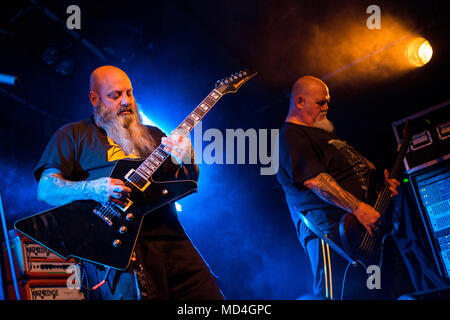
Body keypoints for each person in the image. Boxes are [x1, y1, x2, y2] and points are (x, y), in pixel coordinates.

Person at [34, 65, 224, 300]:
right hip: (120, 251)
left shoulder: (154, 135)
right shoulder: (72, 135)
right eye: (116, 95)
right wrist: (93, 188)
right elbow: (46, 188)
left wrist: (187, 157)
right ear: (94, 99)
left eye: (129, 93)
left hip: (173, 242)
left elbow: (186, 184)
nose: (126, 101)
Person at [276, 76, 400, 300]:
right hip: (332, 235)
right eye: (320, 102)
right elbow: (316, 180)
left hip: (363, 234)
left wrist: (382, 191)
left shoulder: (324, 135)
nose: (326, 107)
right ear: (300, 101)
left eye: (327, 102)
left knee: (376, 294)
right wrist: (360, 209)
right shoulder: (290, 136)